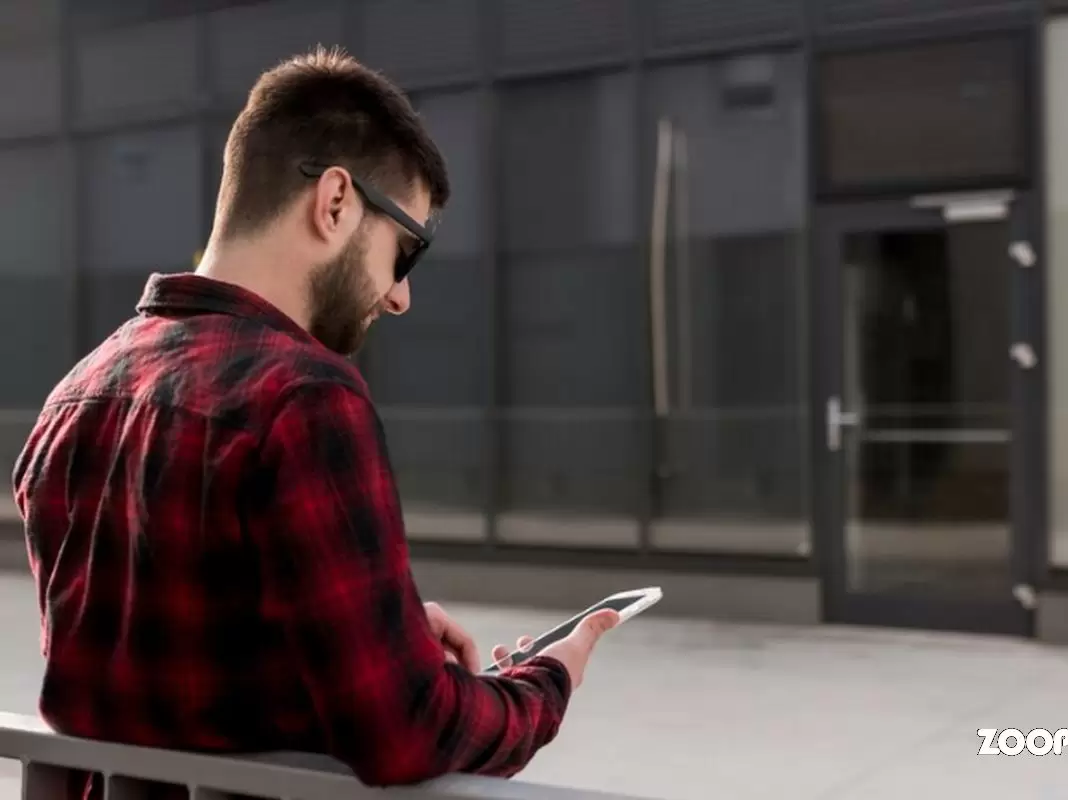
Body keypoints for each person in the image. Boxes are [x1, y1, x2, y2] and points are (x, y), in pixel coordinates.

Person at [10, 47, 619, 790]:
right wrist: (544, 683)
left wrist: (378, 630)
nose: (400, 296)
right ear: (336, 201)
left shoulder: (79, 394)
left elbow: (161, 679)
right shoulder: (305, 399)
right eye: (407, 252)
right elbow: (405, 732)